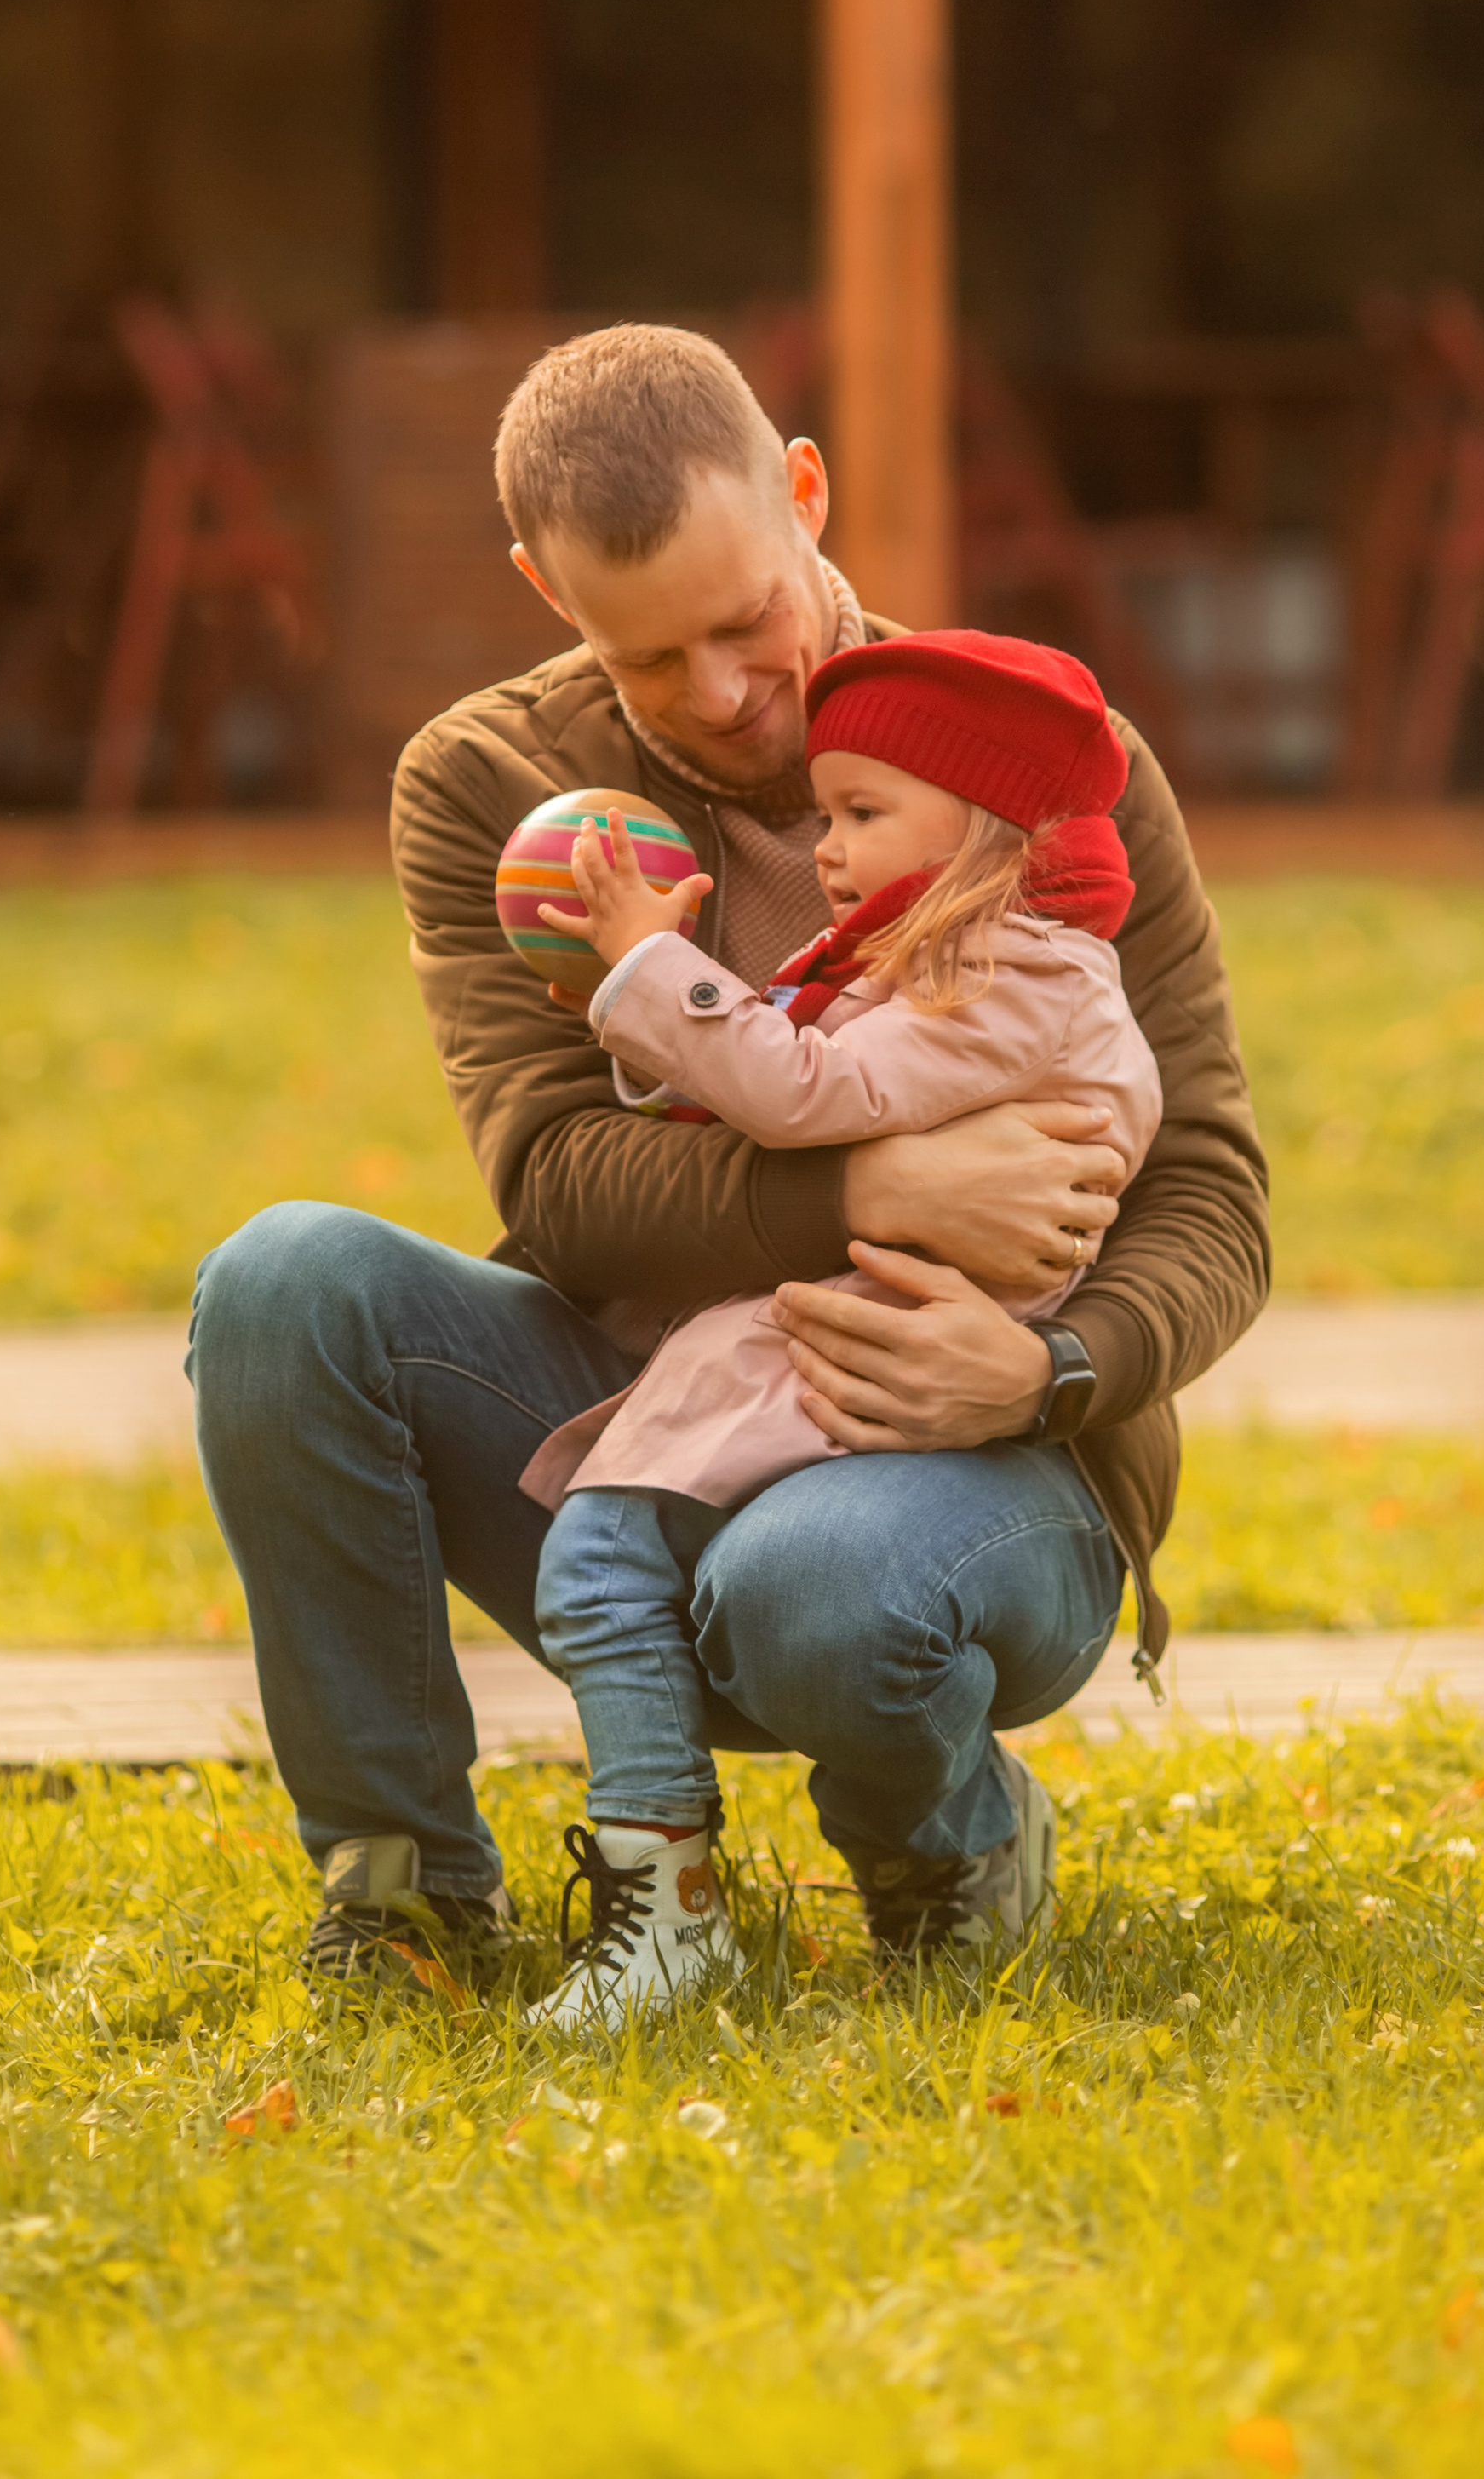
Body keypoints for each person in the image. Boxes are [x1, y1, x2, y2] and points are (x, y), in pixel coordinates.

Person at [187, 324, 1268, 1992]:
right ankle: (400, 1890)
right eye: (646, 656)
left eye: (748, 619)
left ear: (805, 496)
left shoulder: (1040, 762)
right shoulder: (495, 784)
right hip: (640, 1424)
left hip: (975, 1453)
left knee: (811, 1579)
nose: (719, 693)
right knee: (281, 1287)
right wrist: (869, 1188)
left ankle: (951, 1840)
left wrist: (1046, 1370)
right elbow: (557, 1183)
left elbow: (1205, 1187)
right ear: (547, 592)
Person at [521, 631, 1162, 2026]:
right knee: (598, 1561)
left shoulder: (1020, 976)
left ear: (990, 829)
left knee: (623, 1559)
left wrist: (654, 968)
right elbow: (776, 1083)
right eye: (824, 814)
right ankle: (664, 1898)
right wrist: (641, 998)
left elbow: (802, 1091)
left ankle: (877, 1856)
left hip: (891, 1389)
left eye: (864, 812)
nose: (827, 847)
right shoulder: (923, 968)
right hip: (820, 1353)